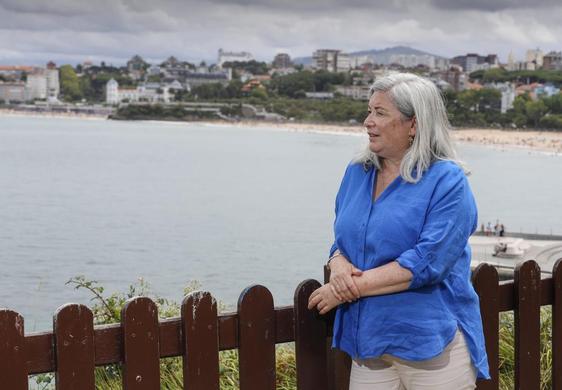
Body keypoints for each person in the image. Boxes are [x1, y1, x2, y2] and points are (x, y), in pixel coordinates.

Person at [308, 73, 489, 389]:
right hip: (370, 344)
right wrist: (337, 262)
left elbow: (426, 263)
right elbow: (345, 239)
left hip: (433, 347)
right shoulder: (357, 173)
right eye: (369, 111)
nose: (368, 121)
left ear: (414, 125)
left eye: (380, 113)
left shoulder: (448, 182)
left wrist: (342, 289)